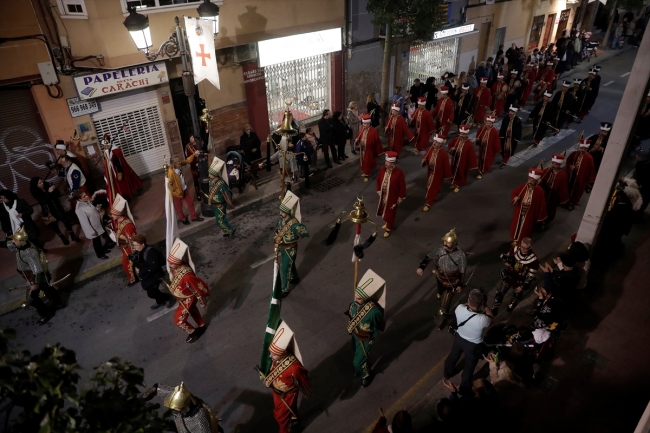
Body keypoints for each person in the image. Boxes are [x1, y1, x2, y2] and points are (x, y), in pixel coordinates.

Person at [7, 226, 63, 325]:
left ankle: (45, 314)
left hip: (36, 278)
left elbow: (37, 269)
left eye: (15, 240)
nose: (13, 242)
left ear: (22, 241)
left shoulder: (29, 253)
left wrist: (34, 283)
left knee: (32, 298)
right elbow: (9, 245)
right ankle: (58, 303)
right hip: (32, 276)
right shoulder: (21, 246)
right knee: (47, 289)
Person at [262, 320, 311, 433]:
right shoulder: (277, 359)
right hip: (278, 391)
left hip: (287, 394)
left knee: (281, 417)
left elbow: (302, 377)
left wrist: (302, 387)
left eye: (273, 354)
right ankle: (294, 416)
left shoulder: (294, 367)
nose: (270, 356)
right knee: (289, 409)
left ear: (282, 354)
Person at [443, 289, 493, 395]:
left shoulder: (459, 308)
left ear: (468, 300)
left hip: (459, 339)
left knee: (453, 356)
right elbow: (492, 318)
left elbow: (465, 304)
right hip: (473, 346)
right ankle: (464, 386)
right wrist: (485, 304)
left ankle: (447, 373)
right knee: (469, 366)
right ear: (480, 303)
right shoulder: (483, 319)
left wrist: (470, 302)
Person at [347, 269, 386, 387]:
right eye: (355, 295)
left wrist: (371, 337)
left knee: (357, 362)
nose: (355, 299)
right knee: (357, 354)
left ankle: (367, 374)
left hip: (365, 338)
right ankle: (362, 366)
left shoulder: (374, 311)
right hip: (355, 333)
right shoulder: (353, 303)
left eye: (358, 298)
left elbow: (377, 323)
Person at [416, 228, 467, 317]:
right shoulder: (440, 249)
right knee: (439, 295)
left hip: (452, 281)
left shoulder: (461, 255)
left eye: (448, 242)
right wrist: (421, 267)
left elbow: (462, 271)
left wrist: (460, 284)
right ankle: (441, 307)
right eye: (445, 241)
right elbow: (429, 257)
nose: (445, 244)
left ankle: (443, 316)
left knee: (446, 300)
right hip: (440, 277)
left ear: (454, 244)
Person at [167, 238, 209, 343]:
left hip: (188, 299)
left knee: (178, 320)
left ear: (178, 263)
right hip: (182, 297)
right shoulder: (176, 268)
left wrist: (202, 300)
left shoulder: (187, 276)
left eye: (171, 263)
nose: (170, 265)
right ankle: (201, 325)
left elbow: (196, 287)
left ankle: (193, 332)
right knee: (193, 310)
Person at [491, 237, 539, 315]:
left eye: (525, 248)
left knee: (517, 294)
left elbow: (531, 276)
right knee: (500, 293)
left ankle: (513, 303)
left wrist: (522, 287)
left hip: (520, 280)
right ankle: (495, 308)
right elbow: (507, 257)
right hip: (509, 275)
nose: (523, 250)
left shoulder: (534, 260)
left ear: (530, 247)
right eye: (522, 247)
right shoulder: (514, 249)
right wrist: (506, 261)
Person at [274, 191, 309, 297]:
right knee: (290, 264)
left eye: (282, 212)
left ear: (288, 212)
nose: (280, 213)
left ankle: (285, 288)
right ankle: (294, 276)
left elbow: (305, 232)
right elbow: (280, 229)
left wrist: (298, 233)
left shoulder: (294, 224)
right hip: (283, 247)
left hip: (290, 248)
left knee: (284, 268)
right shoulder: (281, 220)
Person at [29, 177, 80, 245]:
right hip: (48, 210)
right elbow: (43, 201)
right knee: (54, 225)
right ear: (36, 185)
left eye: (42, 181)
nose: (42, 183)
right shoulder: (35, 192)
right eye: (40, 183)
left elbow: (58, 194)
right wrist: (49, 192)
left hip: (57, 206)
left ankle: (73, 235)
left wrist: (54, 189)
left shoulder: (47, 185)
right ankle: (62, 237)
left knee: (66, 221)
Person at [131, 233, 174, 310]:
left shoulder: (150, 252)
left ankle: (168, 298)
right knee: (153, 290)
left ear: (143, 244)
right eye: (134, 245)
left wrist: (141, 270)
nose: (135, 247)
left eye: (136, 245)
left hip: (154, 275)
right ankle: (160, 302)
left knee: (151, 293)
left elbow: (154, 266)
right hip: (147, 275)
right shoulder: (139, 250)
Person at [100, 134, 143, 201]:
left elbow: (118, 162)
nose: (103, 147)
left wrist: (119, 172)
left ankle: (128, 196)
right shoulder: (107, 151)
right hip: (114, 171)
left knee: (124, 183)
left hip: (119, 170)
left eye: (104, 145)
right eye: (103, 146)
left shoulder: (115, 151)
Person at [509, 168, 547, 244]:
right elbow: (514, 193)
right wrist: (515, 198)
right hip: (520, 211)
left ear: (536, 181)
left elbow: (541, 204)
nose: (529, 182)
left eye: (531, 180)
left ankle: (522, 242)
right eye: (529, 179)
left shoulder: (540, 191)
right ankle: (516, 239)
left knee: (526, 229)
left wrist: (540, 217)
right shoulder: (523, 186)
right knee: (517, 226)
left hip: (530, 214)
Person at [74, 189, 114, 259]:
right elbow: (85, 222)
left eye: (85, 194)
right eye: (84, 196)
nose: (86, 196)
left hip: (96, 224)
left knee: (99, 240)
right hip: (92, 228)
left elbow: (91, 210)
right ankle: (99, 254)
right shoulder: (79, 209)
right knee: (96, 242)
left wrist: (97, 209)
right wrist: (92, 231)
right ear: (79, 199)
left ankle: (102, 250)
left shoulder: (86, 202)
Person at [109, 194, 138, 286]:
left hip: (129, 250)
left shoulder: (128, 225)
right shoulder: (119, 221)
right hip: (124, 248)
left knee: (127, 264)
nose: (112, 216)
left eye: (113, 214)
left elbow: (132, 240)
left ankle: (133, 279)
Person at [167, 152, 204, 226]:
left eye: (179, 161)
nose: (180, 163)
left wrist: (193, 155)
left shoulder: (179, 165)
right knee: (179, 206)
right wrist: (175, 190)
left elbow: (187, 161)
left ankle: (193, 216)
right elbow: (169, 183)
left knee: (190, 202)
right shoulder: (171, 172)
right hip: (177, 192)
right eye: (178, 162)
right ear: (174, 164)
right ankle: (182, 218)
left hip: (184, 188)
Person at [376, 151, 406, 238]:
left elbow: (402, 186)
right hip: (383, 197)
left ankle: (389, 228)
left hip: (392, 198)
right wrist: (378, 190)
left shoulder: (399, 173)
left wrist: (401, 197)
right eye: (386, 161)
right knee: (384, 211)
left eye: (388, 162)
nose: (385, 163)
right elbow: (378, 180)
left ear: (392, 163)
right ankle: (387, 222)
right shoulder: (382, 169)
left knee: (390, 213)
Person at [421, 134, 452, 211]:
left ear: (440, 143)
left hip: (438, 174)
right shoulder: (430, 149)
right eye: (434, 141)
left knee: (434, 187)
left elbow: (446, 165)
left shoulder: (443, 153)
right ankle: (433, 196)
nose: (434, 143)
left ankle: (429, 202)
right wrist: (424, 160)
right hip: (430, 171)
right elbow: (426, 156)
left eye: (436, 142)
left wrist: (448, 175)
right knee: (429, 185)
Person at [206, 157, 236, 237]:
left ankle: (231, 230)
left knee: (219, 221)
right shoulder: (211, 182)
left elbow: (228, 193)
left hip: (220, 205)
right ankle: (227, 231)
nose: (209, 175)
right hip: (214, 205)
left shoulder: (221, 184)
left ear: (215, 174)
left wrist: (228, 201)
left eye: (210, 174)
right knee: (222, 220)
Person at [539, 154, 570, 225]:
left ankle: (546, 221)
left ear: (559, 164)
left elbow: (563, 188)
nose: (554, 165)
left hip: (554, 196)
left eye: (556, 164)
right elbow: (541, 179)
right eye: (553, 163)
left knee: (550, 209)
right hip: (544, 193)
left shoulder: (562, 175)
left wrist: (563, 198)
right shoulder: (547, 171)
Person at [566, 139, 597, 210]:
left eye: (585, 149)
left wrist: (590, 180)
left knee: (577, 189)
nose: (583, 150)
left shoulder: (589, 158)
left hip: (581, 177)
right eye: (582, 148)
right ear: (579, 147)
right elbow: (568, 161)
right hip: (571, 175)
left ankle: (572, 202)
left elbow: (591, 169)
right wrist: (570, 166)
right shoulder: (574, 154)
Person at [448, 124, 478, 193]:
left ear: (466, 134)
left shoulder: (469, 143)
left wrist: (471, 164)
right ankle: (454, 183)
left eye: (463, 134)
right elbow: (450, 145)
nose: (461, 135)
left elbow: (471, 155)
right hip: (455, 159)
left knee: (460, 173)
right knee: (453, 171)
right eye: (461, 134)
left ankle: (458, 185)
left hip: (463, 162)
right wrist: (452, 149)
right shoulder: (456, 139)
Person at [355, 114, 384, 182]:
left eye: (365, 124)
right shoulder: (362, 129)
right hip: (362, 150)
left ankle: (367, 174)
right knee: (363, 161)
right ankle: (365, 172)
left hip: (369, 150)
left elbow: (377, 141)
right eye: (363, 123)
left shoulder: (373, 131)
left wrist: (378, 151)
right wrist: (357, 141)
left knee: (368, 162)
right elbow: (359, 137)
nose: (364, 125)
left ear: (369, 123)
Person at [475, 114, 501, 178]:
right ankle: (480, 168)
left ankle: (482, 171)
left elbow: (496, 141)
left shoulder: (495, 131)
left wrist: (496, 149)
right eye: (487, 122)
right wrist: (478, 139)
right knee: (481, 158)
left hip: (489, 149)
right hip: (482, 147)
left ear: (492, 123)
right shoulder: (482, 128)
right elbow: (478, 134)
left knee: (486, 160)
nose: (487, 124)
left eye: (489, 123)